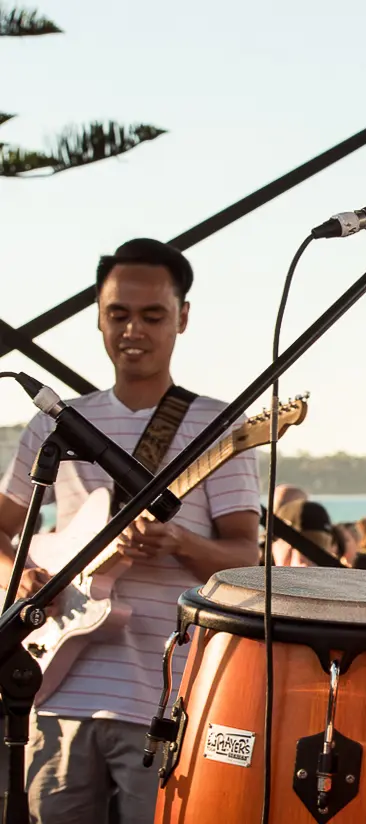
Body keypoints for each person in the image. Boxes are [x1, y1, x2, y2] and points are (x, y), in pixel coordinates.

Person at [0, 238, 261, 824]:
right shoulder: (57, 423)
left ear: (182, 318)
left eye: (152, 315)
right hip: (58, 690)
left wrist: (180, 544)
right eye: (118, 314)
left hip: (166, 700)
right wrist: (20, 579)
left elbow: (245, 558)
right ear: (98, 316)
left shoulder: (219, 424)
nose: (133, 330)